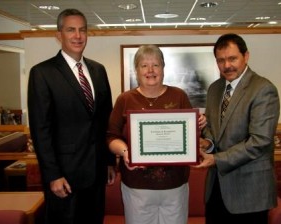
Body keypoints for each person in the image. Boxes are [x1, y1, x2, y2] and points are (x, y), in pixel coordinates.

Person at [28, 8, 116, 224]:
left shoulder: (99, 70)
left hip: (96, 174)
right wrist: (52, 175)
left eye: (82, 30)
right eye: (71, 30)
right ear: (59, 35)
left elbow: (105, 120)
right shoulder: (42, 73)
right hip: (64, 178)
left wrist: (109, 162)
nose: (78, 36)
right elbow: (41, 130)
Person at [106, 44, 206, 224]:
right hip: (137, 187)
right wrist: (126, 153)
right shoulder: (125, 99)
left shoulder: (179, 96)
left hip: (175, 187)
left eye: (156, 65)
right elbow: (111, 137)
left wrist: (198, 125)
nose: (150, 70)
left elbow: (191, 137)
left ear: (163, 68)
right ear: (136, 70)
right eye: (144, 65)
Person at [197, 33, 280, 224]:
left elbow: (260, 141)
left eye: (232, 58)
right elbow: (212, 129)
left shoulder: (263, 89)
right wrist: (207, 143)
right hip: (216, 190)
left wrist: (216, 158)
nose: (227, 65)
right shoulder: (214, 89)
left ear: (246, 56)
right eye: (221, 60)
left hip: (250, 194)